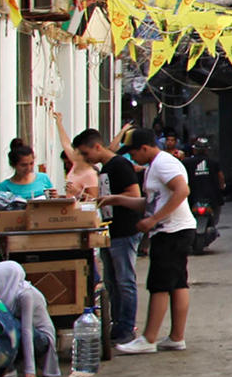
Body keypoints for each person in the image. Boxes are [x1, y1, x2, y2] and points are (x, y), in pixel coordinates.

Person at [74, 129, 146, 353]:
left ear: (97, 146)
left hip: (125, 230)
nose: (86, 159)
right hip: (110, 230)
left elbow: (135, 196)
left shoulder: (119, 166)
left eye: (86, 153)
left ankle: (127, 326)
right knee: (112, 281)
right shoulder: (105, 169)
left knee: (124, 280)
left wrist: (112, 199)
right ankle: (117, 323)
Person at [131, 129, 196, 350]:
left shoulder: (162, 163)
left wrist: (154, 220)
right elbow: (153, 201)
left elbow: (182, 190)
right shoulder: (155, 166)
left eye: (134, 154)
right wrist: (117, 200)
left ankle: (149, 339)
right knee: (177, 283)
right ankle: (176, 337)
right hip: (174, 229)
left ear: (144, 148)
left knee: (159, 284)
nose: (133, 160)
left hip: (171, 230)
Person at [0, 259, 61, 377]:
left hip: (41, 340)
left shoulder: (25, 294)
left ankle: (9, 369)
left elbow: (27, 331)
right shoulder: (6, 295)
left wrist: (30, 370)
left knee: (10, 325)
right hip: (24, 336)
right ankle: (4, 367)